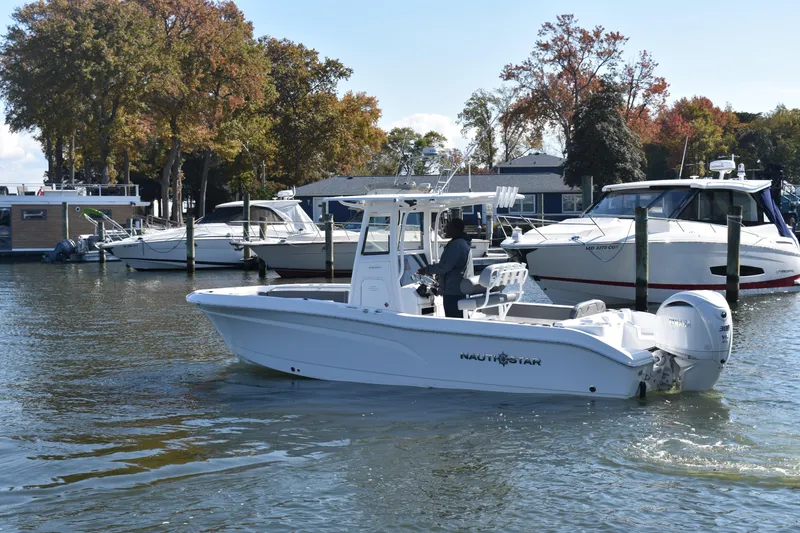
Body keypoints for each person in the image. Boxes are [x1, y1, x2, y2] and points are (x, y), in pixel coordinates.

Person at [417, 217, 471, 318]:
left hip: (453, 291)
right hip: (460, 289)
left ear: (455, 229)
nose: (445, 229)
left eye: (448, 226)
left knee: (453, 319)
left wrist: (426, 270)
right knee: (461, 317)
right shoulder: (463, 243)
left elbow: (444, 267)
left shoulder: (457, 245)